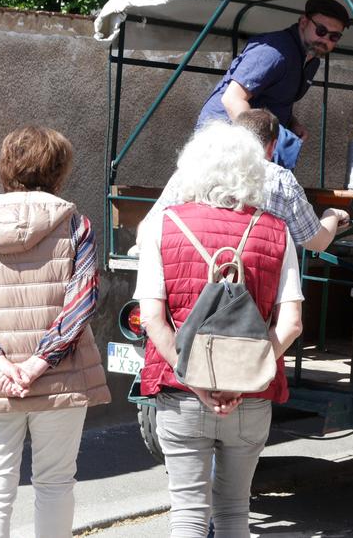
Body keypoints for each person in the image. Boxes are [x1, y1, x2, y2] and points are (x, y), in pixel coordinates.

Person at [0, 126, 111, 538]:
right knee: (56, 483)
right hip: (61, 376)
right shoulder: (75, 225)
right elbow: (81, 302)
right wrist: (37, 363)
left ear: (6, 167)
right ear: (59, 169)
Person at [134, 122, 304, 537]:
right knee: (233, 513)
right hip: (251, 398)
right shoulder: (276, 230)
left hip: (181, 395)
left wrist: (196, 379)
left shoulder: (162, 225)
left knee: (188, 514)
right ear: (253, 171)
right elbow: (292, 324)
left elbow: (154, 319)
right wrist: (244, 377)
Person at [151, 109, 350, 253]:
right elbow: (316, 242)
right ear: (273, 146)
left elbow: (147, 230)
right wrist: (332, 214)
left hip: (189, 280)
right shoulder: (279, 178)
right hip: (252, 289)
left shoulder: (191, 171)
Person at [196, 0, 351, 169]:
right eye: (321, 31)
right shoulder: (274, 51)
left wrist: (292, 123)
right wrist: (259, 152)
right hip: (224, 141)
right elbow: (232, 99)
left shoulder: (311, 60)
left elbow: (273, 98)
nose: (325, 39)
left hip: (257, 144)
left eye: (334, 36)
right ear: (303, 22)